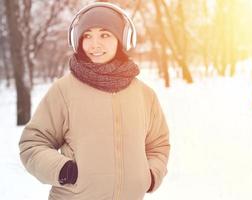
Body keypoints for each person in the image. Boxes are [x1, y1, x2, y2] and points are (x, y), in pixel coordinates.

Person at [18, 2, 170, 200]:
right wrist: (64, 170)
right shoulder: (64, 90)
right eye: (87, 35)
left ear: (122, 39)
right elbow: (32, 143)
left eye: (105, 34)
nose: (94, 44)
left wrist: (150, 175)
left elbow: (158, 144)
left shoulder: (144, 94)